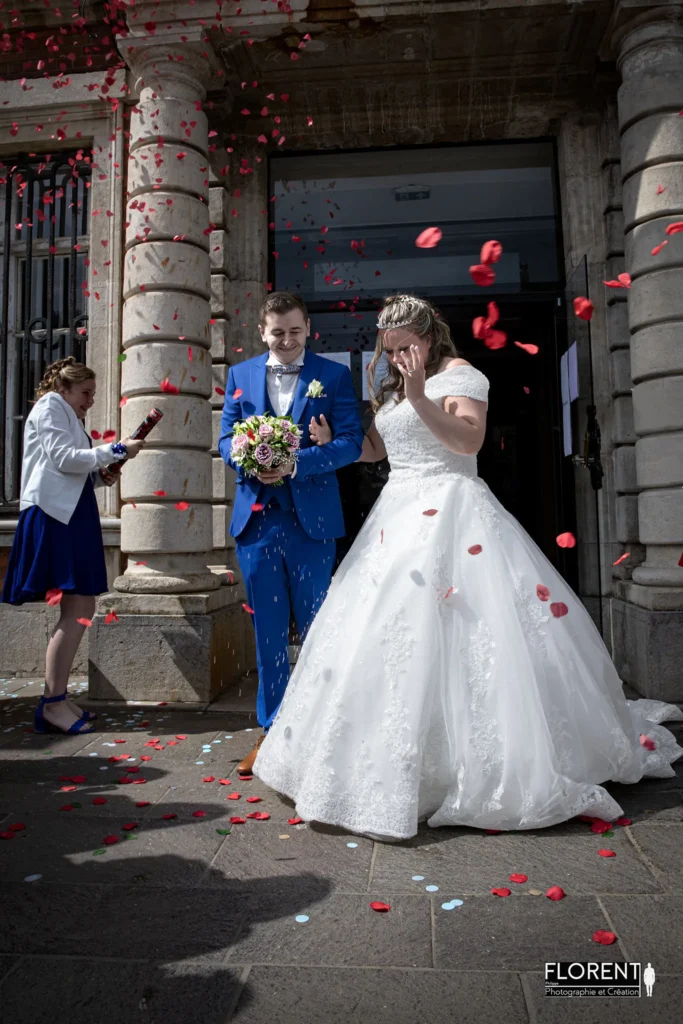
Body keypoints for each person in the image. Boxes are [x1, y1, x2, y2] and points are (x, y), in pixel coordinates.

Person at [253, 294, 683, 841]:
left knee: (472, 632)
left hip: (454, 510)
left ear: (431, 336)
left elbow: (468, 440)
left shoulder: (463, 376)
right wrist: (333, 442)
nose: (399, 358)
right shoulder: (392, 383)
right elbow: (377, 449)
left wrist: (417, 395)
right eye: (390, 351)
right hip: (397, 513)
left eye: (407, 347)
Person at [218, 292, 364, 775]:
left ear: (308, 330)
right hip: (257, 521)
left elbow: (349, 444)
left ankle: (324, 729)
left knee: (319, 628)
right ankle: (274, 732)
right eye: (277, 332)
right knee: (269, 632)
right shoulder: (239, 376)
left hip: (311, 522)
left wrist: (295, 462)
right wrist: (249, 458)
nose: (286, 340)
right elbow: (226, 439)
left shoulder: (335, 376)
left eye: (294, 331)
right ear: (262, 332)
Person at [1, 356, 145, 734]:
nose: (90, 401)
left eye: (93, 394)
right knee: (78, 604)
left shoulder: (65, 414)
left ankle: (58, 698)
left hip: (69, 513)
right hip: (54, 517)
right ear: (63, 388)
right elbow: (63, 460)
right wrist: (115, 450)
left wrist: (102, 477)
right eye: (86, 392)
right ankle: (51, 702)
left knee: (81, 605)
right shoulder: (50, 406)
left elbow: (66, 470)